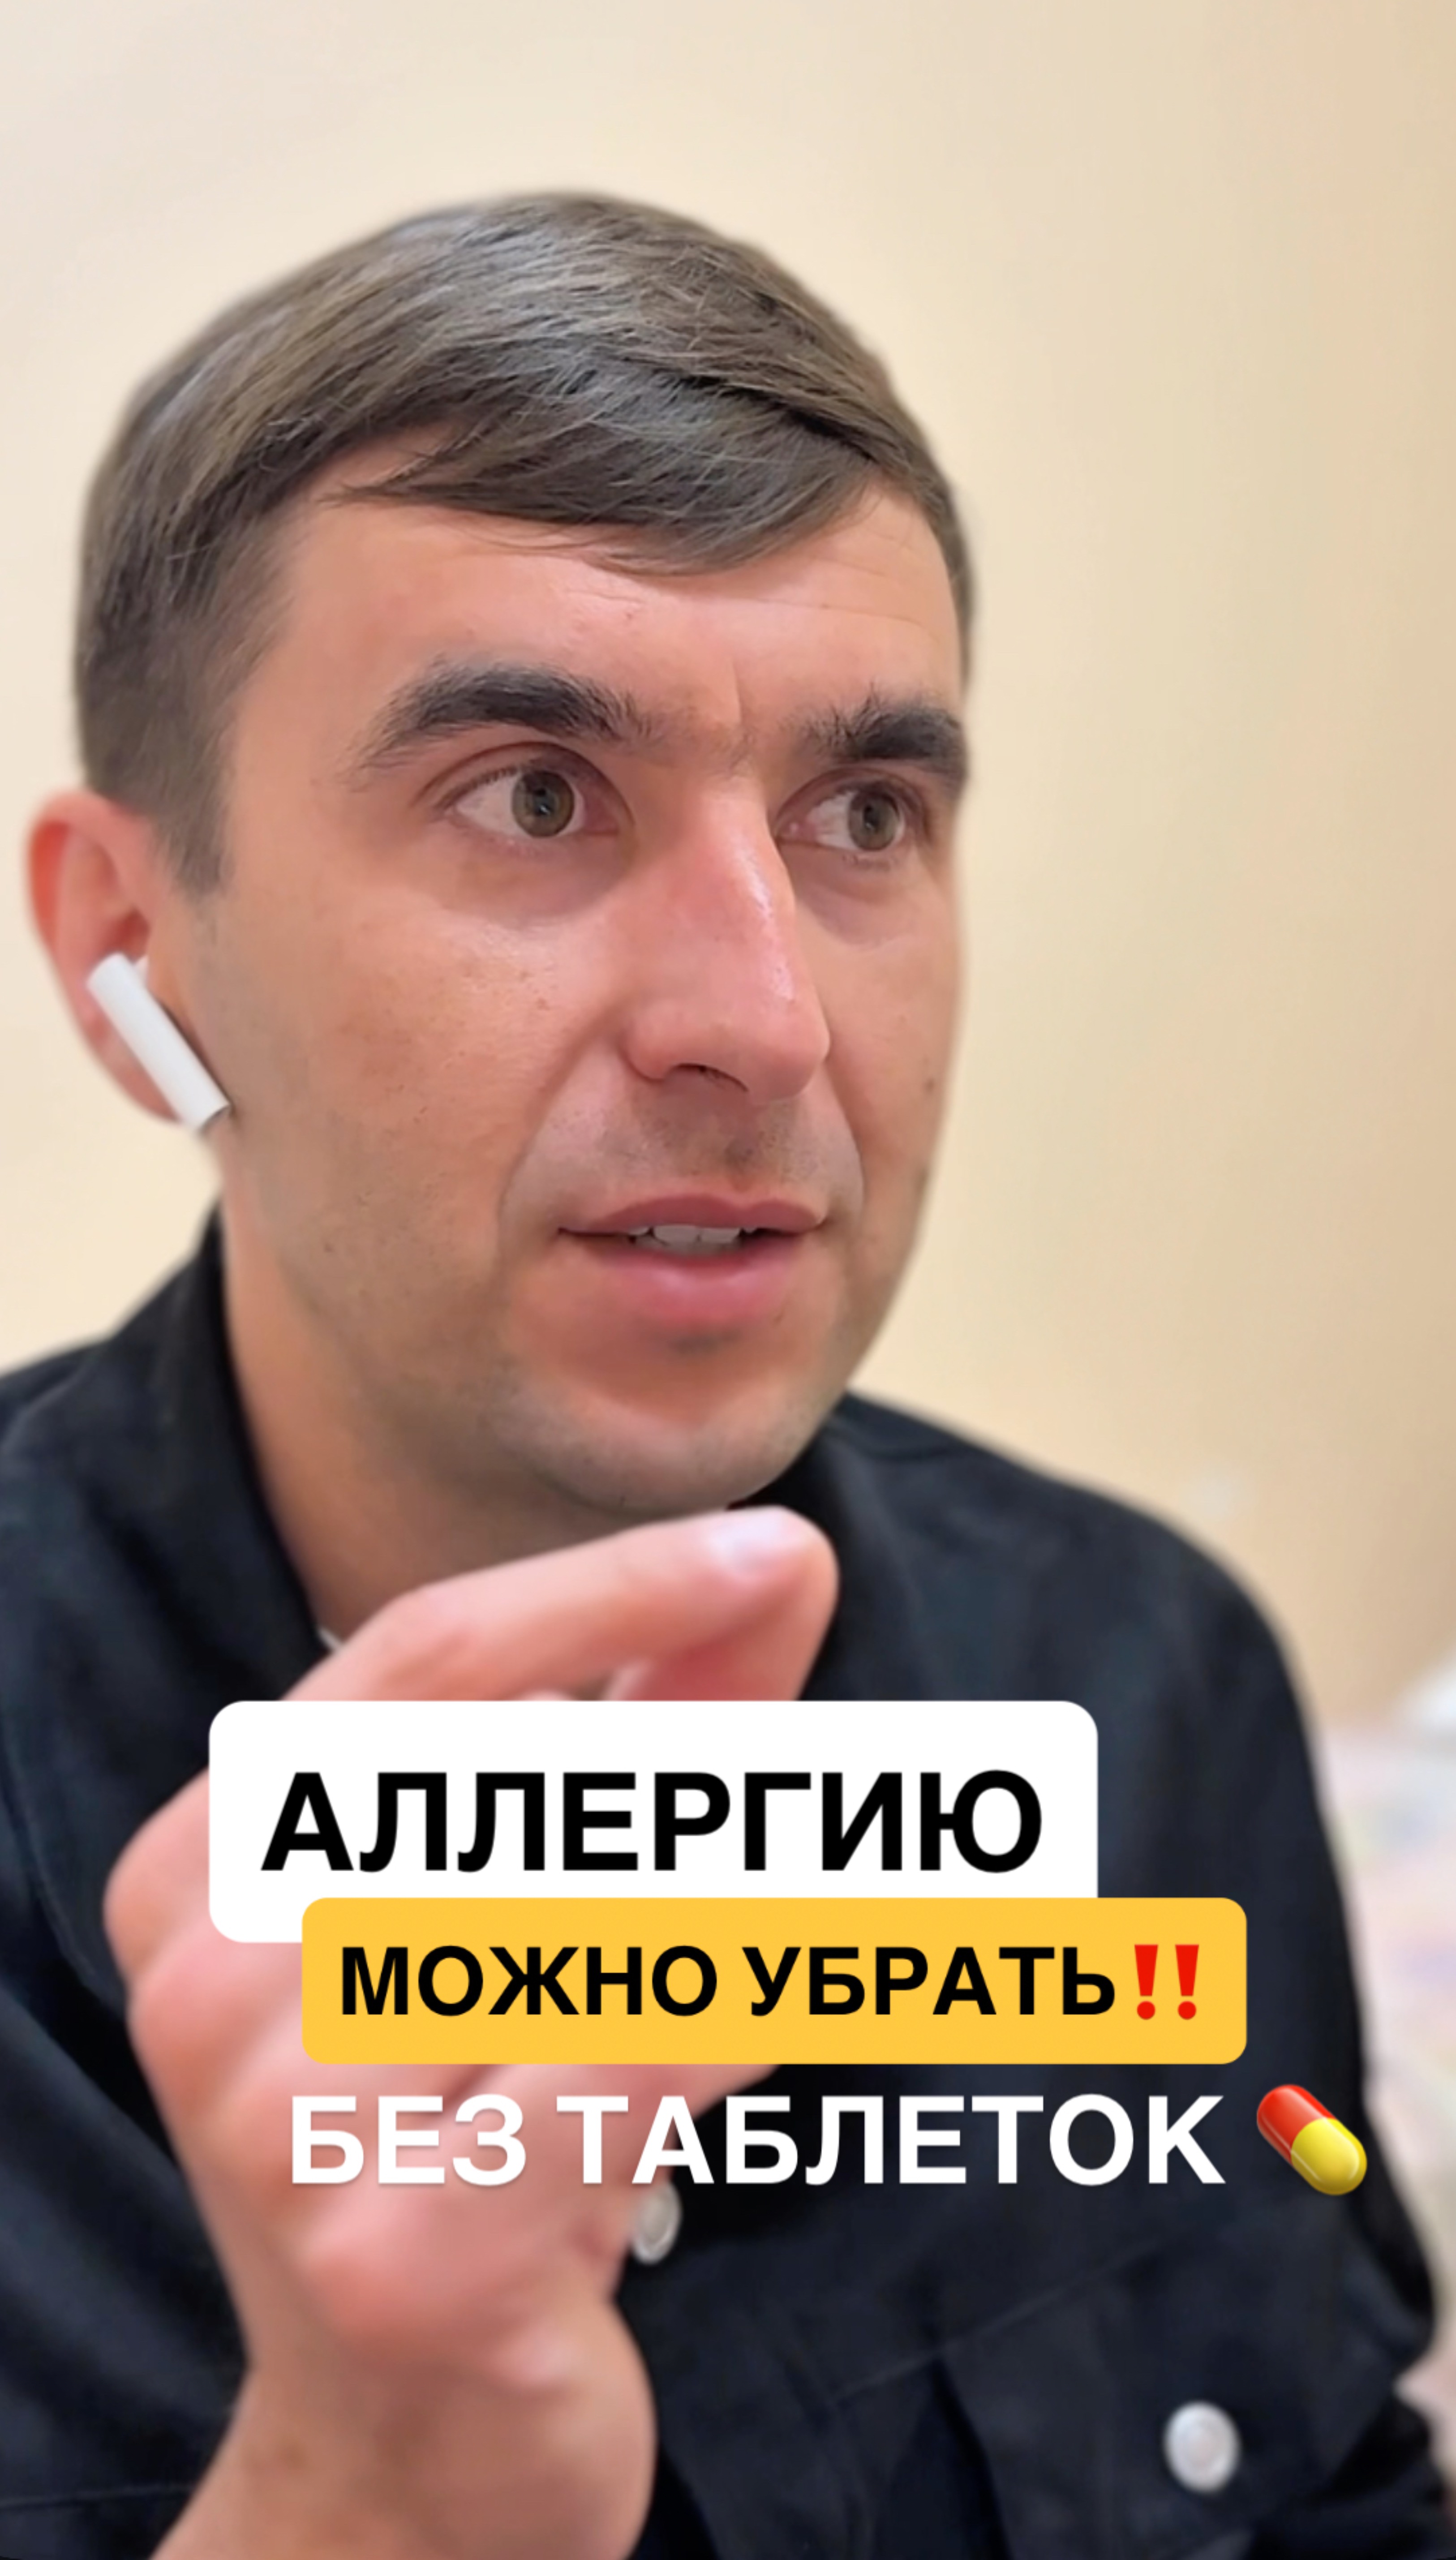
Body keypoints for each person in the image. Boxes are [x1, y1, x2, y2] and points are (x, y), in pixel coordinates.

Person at [0, 193, 1448, 2560]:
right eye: (533, 794)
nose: (764, 1023)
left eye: (864, 818)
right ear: (130, 948)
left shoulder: (1141, 1687)